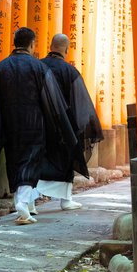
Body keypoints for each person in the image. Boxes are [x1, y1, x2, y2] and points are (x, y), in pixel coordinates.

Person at [0, 27, 78, 225]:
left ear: (15, 43)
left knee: (14, 162)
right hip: (34, 124)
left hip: (9, 125)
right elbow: (51, 99)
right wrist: (58, 124)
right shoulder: (38, 68)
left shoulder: (0, 68)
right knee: (30, 164)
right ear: (32, 44)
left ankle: (23, 203)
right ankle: (22, 202)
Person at [38, 33, 104, 210]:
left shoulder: (37, 67)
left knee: (37, 160)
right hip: (63, 126)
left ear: (50, 46)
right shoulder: (69, 71)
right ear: (66, 49)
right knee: (65, 159)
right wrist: (85, 125)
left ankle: (30, 201)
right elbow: (80, 100)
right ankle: (66, 200)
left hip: (40, 124)